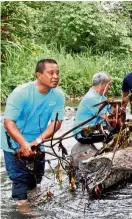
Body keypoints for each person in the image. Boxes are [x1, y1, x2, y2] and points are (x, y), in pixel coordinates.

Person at [1, 59, 65, 206]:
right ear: (38, 75)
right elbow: (8, 122)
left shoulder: (58, 95)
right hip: (13, 141)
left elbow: (57, 122)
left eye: (57, 73)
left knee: (36, 178)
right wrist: (23, 143)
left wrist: (38, 141)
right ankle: (23, 210)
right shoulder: (21, 93)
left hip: (37, 141)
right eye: (50, 73)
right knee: (19, 179)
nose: (55, 76)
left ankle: (29, 201)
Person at [73, 71, 112, 145]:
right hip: (82, 133)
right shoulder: (92, 97)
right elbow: (106, 118)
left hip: (91, 130)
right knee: (111, 137)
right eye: (108, 85)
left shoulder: (101, 97)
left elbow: (111, 111)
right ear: (102, 84)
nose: (109, 87)